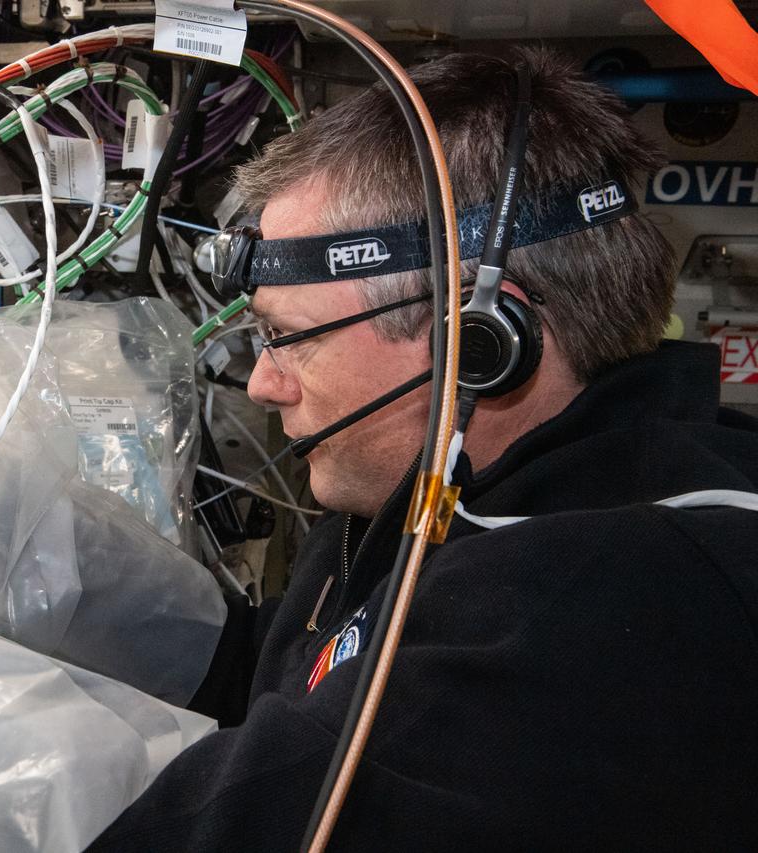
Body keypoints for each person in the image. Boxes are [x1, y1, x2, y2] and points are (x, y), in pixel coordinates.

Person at [87, 47, 758, 851]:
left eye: (285, 336)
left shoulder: (605, 610)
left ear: (481, 342)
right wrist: (49, 560)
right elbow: (291, 671)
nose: (263, 384)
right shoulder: (443, 489)